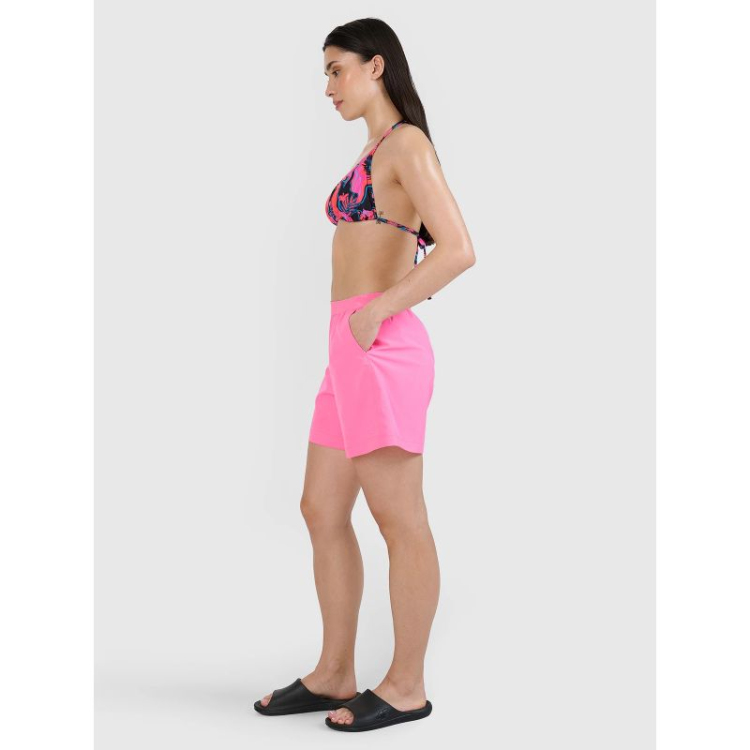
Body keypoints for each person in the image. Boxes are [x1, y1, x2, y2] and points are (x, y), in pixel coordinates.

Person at [254, 17, 475, 732]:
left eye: (336, 69)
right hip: (347, 349)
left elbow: (459, 249)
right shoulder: (374, 148)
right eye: (324, 73)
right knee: (321, 508)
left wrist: (379, 309)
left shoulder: (406, 143)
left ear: (376, 66)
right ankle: (334, 673)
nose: (328, 86)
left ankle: (407, 686)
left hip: (380, 346)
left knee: (399, 518)